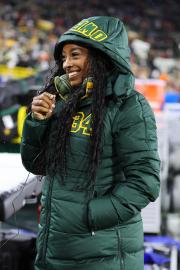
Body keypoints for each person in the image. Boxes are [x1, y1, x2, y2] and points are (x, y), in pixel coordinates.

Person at [20, 16, 160, 270]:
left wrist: (90, 216)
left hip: (102, 257)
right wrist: (37, 122)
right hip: (55, 252)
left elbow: (145, 182)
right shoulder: (64, 102)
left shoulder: (129, 106)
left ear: (102, 56)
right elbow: (37, 165)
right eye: (63, 57)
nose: (66, 64)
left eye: (75, 55)